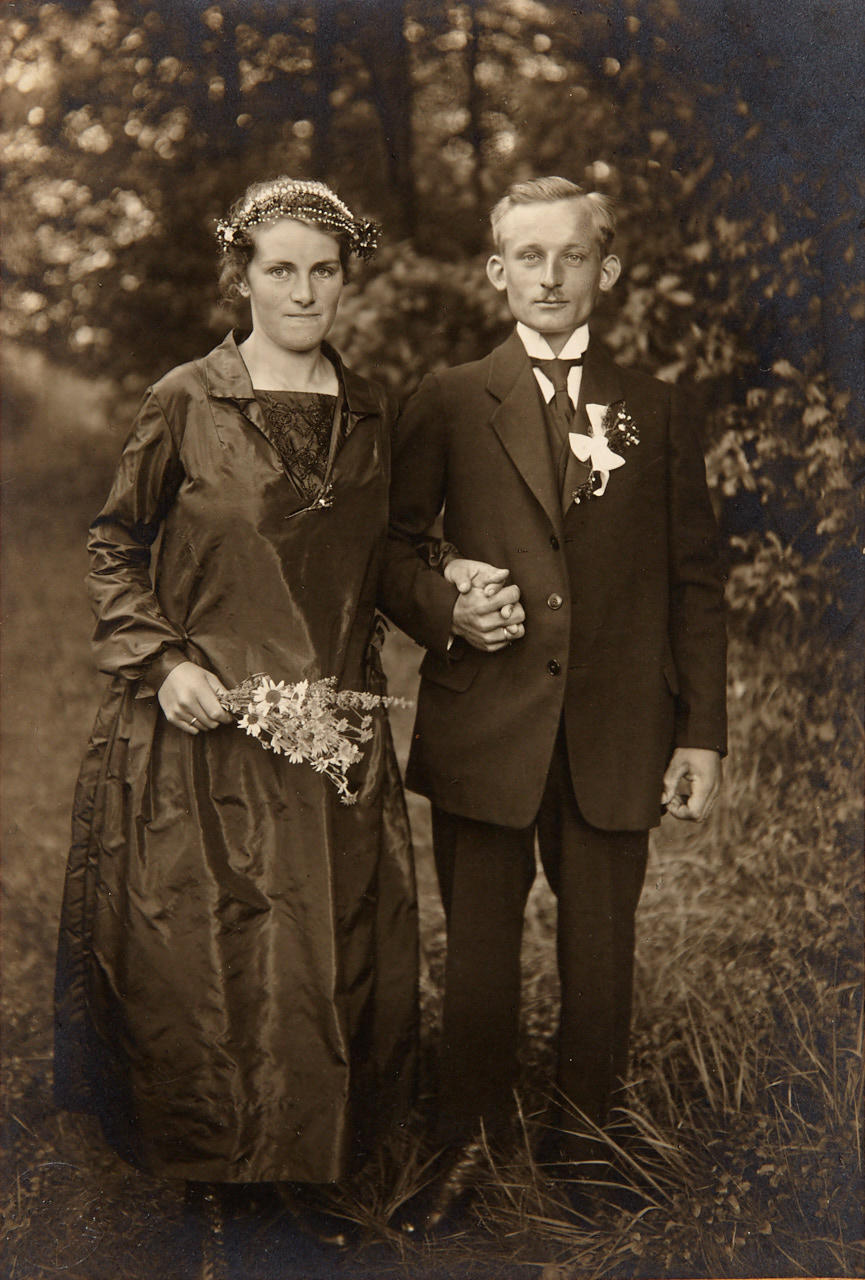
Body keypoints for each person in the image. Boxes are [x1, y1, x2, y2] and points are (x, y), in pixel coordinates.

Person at [54, 178, 418, 1256]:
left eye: (323, 269)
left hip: (327, 730)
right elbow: (113, 542)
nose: (302, 289)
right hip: (201, 729)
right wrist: (162, 661)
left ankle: (310, 1173)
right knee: (206, 957)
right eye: (279, 268)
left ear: (346, 277)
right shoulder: (184, 399)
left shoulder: (372, 412)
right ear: (243, 276)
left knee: (323, 950)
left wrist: (461, 599)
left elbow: (389, 560)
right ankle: (209, 1173)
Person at [380, 176, 727, 1216]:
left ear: (604, 271)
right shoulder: (445, 397)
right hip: (487, 725)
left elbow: (694, 580)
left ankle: (591, 1150)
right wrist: (447, 603)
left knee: (601, 953)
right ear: (496, 272)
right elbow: (393, 554)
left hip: (618, 729)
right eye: (527, 257)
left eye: (570, 256)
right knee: (478, 953)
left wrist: (701, 732)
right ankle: (463, 1146)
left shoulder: (656, 406)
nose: (549, 275)